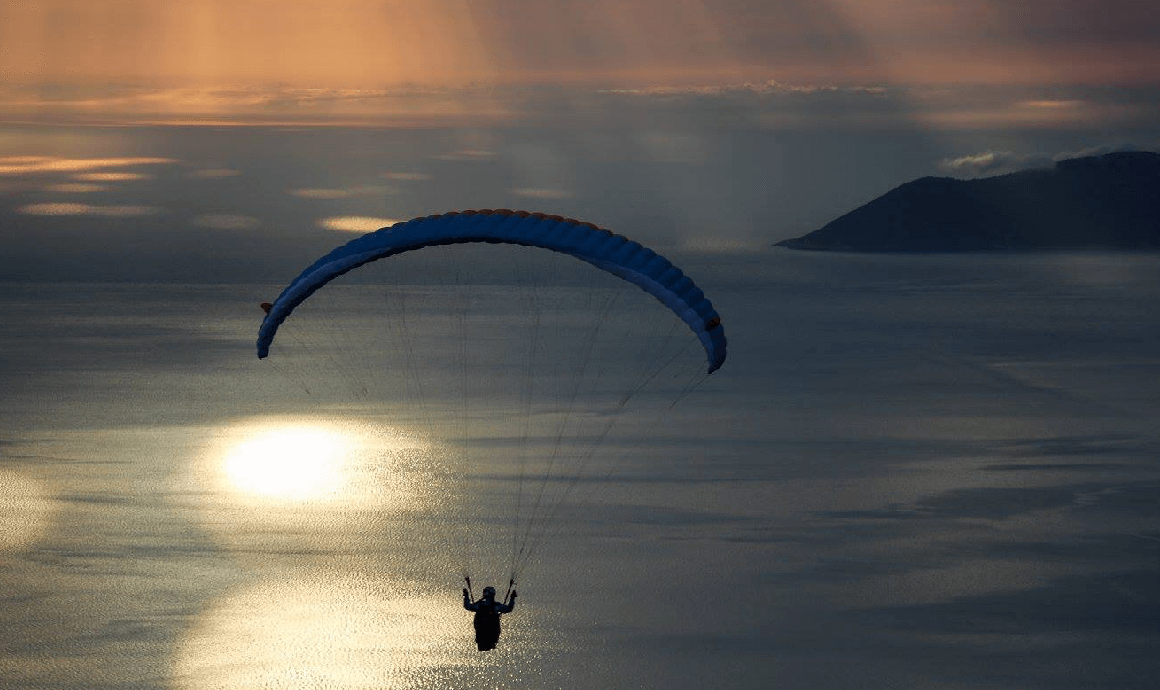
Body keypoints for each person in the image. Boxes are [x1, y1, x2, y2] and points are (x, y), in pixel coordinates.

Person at [463, 584, 516, 651]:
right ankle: (489, 643)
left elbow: (468, 606)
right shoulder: (496, 606)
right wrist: (512, 598)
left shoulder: (480, 605)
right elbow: (508, 609)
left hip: (483, 634)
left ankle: (486, 643)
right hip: (489, 635)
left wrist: (466, 596)